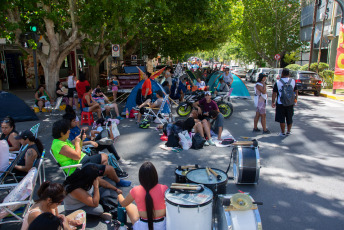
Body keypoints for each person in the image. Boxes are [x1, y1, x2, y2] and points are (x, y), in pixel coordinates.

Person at [51, 119, 130, 186]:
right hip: (78, 167)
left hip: (83, 160)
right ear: (62, 133)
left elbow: (79, 149)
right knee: (110, 168)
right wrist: (77, 142)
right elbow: (77, 156)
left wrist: (80, 140)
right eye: (67, 130)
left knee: (104, 156)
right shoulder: (59, 145)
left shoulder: (62, 140)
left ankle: (98, 179)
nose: (69, 131)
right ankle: (117, 181)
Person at [62, 113, 128, 173]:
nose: (76, 122)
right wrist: (90, 141)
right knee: (107, 143)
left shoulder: (75, 127)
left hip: (91, 142)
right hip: (88, 146)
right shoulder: (68, 133)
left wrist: (90, 137)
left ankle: (106, 140)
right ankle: (117, 157)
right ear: (69, 123)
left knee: (104, 131)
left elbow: (83, 135)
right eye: (73, 121)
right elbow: (75, 143)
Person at [118, 162, 168, 230]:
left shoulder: (135, 190)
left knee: (130, 206)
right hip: (162, 226)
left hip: (142, 226)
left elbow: (123, 204)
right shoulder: (164, 188)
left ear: (140, 177)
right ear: (155, 175)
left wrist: (119, 195)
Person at [272, 68, 298, 136]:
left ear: (282, 74)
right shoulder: (293, 81)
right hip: (290, 102)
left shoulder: (278, 82)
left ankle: (282, 132)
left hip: (280, 103)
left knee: (282, 118)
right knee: (289, 117)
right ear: (289, 74)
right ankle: (288, 131)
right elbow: (296, 91)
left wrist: (273, 102)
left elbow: (274, 93)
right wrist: (295, 100)